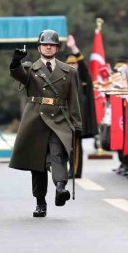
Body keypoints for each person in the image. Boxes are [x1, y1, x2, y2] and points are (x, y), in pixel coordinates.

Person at [9, 30, 82, 218]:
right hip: (36, 119)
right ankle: (40, 202)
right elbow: (19, 76)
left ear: (57, 48)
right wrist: (16, 62)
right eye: (45, 44)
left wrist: (77, 125)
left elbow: (73, 100)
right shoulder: (30, 69)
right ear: (39, 47)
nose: (48, 46)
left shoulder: (69, 71)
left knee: (58, 154)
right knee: (38, 164)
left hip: (59, 118)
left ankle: (60, 188)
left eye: (52, 44)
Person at [64, 34, 98, 178]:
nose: (72, 66)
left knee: (76, 146)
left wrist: (73, 48)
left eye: (74, 64)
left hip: (77, 118)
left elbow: (84, 68)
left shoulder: (81, 77)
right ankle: (70, 169)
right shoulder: (63, 78)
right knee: (67, 147)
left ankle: (75, 171)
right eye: (69, 64)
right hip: (65, 118)